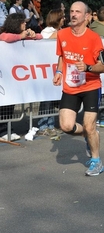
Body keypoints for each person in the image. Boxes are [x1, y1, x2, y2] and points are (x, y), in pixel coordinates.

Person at [53, 1, 104, 176]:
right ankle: (90, 134)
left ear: (86, 16)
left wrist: (88, 67)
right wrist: (59, 71)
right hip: (71, 87)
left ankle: (96, 161)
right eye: (71, 11)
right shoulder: (62, 34)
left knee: (89, 125)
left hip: (91, 85)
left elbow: (103, 66)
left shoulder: (94, 38)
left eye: (77, 12)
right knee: (66, 126)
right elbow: (62, 56)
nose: (73, 14)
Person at [0, 12, 43, 141]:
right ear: (15, 24)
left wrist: (34, 35)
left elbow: (40, 37)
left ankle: (8, 129)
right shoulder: (5, 34)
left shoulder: (21, 36)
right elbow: (5, 38)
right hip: (4, 77)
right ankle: (2, 131)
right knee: (3, 106)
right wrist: (21, 36)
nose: (25, 24)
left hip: (13, 77)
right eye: (23, 22)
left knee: (10, 104)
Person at [37, 9, 65, 137]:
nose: (64, 20)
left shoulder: (57, 32)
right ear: (57, 19)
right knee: (45, 100)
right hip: (45, 69)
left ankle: (50, 124)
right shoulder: (47, 31)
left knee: (52, 98)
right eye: (62, 18)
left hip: (55, 68)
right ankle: (42, 125)